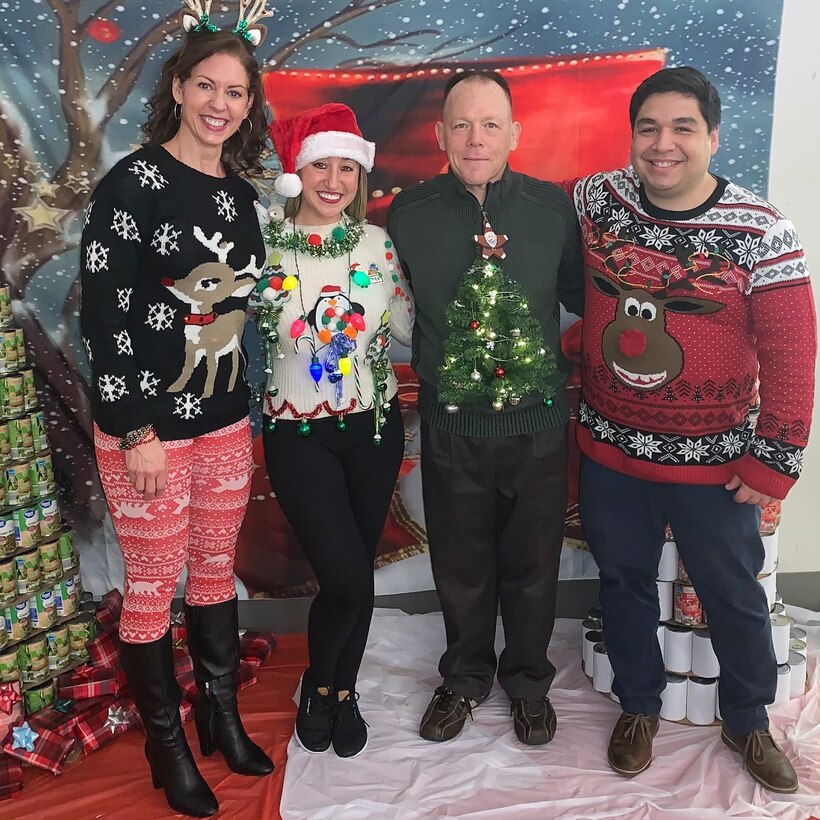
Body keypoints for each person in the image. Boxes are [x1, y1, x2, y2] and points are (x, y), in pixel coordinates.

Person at [569, 66, 815, 792]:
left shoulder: (762, 232)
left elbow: (793, 353)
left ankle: (748, 717)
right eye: (648, 128)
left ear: (712, 136)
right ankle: (638, 704)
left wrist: (775, 458)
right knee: (622, 584)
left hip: (716, 465)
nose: (662, 144)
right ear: (632, 136)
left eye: (682, 128)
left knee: (733, 595)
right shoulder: (595, 200)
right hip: (613, 451)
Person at [79, 2, 275, 815]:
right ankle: (167, 745)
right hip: (149, 434)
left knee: (213, 578)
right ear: (177, 86)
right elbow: (102, 314)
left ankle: (220, 716)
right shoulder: (134, 182)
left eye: (235, 91)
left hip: (226, 422)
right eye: (206, 85)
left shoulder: (238, 193)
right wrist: (135, 432)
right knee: (155, 585)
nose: (219, 104)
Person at [387, 70, 584, 745]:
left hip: (536, 425)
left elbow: (581, 298)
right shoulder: (408, 216)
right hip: (452, 428)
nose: (476, 139)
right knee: (462, 562)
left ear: (514, 134)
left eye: (490, 124)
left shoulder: (550, 209)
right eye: (462, 125)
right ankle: (465, 677)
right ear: (441, 134)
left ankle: (527, 680)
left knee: (533, 562)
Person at [259, 103, 414, 758]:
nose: (334, 179)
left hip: (373, 430)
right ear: (296, 170)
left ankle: (336, 693)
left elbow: (407, 329)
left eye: (347, 167)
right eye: (321, 164)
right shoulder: (261, 244)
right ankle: (321, 683)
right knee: (346, 576)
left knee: (357, 576)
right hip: (296, 435)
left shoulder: (376, 245)